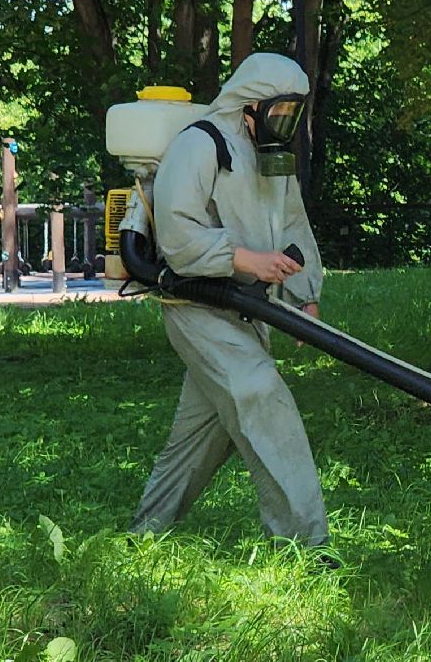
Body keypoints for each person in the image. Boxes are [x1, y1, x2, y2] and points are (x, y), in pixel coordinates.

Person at [129, 53, 329, 549]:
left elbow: (294, 226)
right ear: (248, 105)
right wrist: (247, 260)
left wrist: (307, 297)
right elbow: (178, 239)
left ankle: (144, 535)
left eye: (292, 115)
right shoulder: (199, 145)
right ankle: (307, 545)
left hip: (248, 309)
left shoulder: (271, 158)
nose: (284, 125)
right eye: (278, 112)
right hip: (198, 308)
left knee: (200, 435)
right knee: (261, 395)